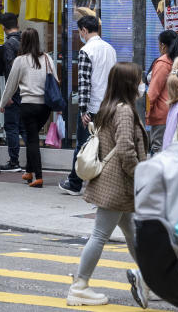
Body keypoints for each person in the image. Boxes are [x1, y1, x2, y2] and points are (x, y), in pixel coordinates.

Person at [66, 63, 150, 307]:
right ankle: (80, 286)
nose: (142, 84)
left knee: (132, 234)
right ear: (129, 84)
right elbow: (125, 149)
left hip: (117, 185)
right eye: (139, 80)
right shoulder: (124, 110)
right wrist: (141, 174)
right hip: (117, 185)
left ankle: (150, 279)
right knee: (100, 235)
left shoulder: (110, 106)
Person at [59, 14, 117, 196]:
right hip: (109, 105)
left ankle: (75, 183)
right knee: (105, 146)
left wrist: (83, 109)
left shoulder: (86, 50)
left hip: (92, 107)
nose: (80, 35)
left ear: (84, 30)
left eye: (80, 32)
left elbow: (84, 83)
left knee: (83, 146)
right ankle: (103, 183)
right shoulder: (110, 49)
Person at [0, 28, 58, 188]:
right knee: (33, 136)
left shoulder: (20, 61)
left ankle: (38, 177)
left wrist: (3, 103)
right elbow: (56, 81)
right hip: (45, 107)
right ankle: (29, 171)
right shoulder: (47, 58)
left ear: (22, 41)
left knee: (32, 140)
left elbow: (10, 85)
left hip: (28, 106)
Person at [145, 30, 178, 154]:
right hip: (177, 111)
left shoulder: (163, 63)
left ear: (163, 46)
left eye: (159, 44)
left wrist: (146, 111)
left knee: (159, 150)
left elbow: (153, 92)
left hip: (162, 115)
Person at [0, 12, 25, 172]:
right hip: (27, 90)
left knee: (11, 126)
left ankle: (14, 161)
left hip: (15, 90)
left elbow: (10, 71)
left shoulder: (9, 44)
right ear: (18, 24)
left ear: (3, 27)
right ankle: (33, 160)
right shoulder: (26, 40)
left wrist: (7, 95)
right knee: (24, 126)